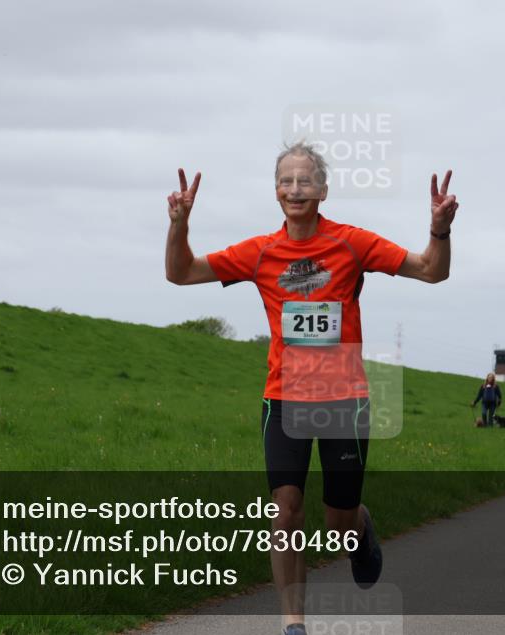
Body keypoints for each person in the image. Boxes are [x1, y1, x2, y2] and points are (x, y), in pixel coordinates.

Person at [165, 142, 457, 635]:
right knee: (284, 509)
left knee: (337, 522)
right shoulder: (259, 252)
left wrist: (439, 231)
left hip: (343, 402)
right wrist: (179, 224)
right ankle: (293, 624)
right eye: (286, 180)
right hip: (283, 401)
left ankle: (360, 531)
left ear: (322, 190)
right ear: (276, 191)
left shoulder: (351, 244)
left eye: (305, 181)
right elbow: (180, 273)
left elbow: (432, 270)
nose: (295, 188)